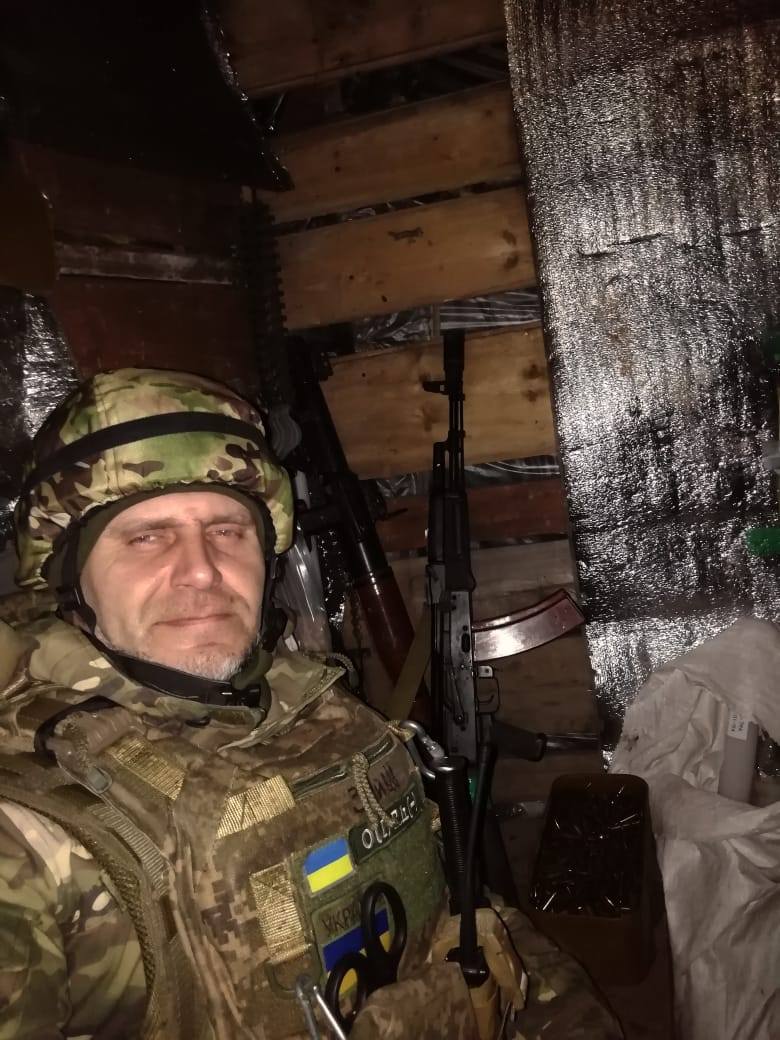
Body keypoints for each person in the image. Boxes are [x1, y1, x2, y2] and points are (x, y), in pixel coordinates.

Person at [0, 368, 621, 1039]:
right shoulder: (30, 837)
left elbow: (474, 925)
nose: (202, 570)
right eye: (146, 536)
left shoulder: (319, 706)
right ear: (69, 574)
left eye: (228, 530)